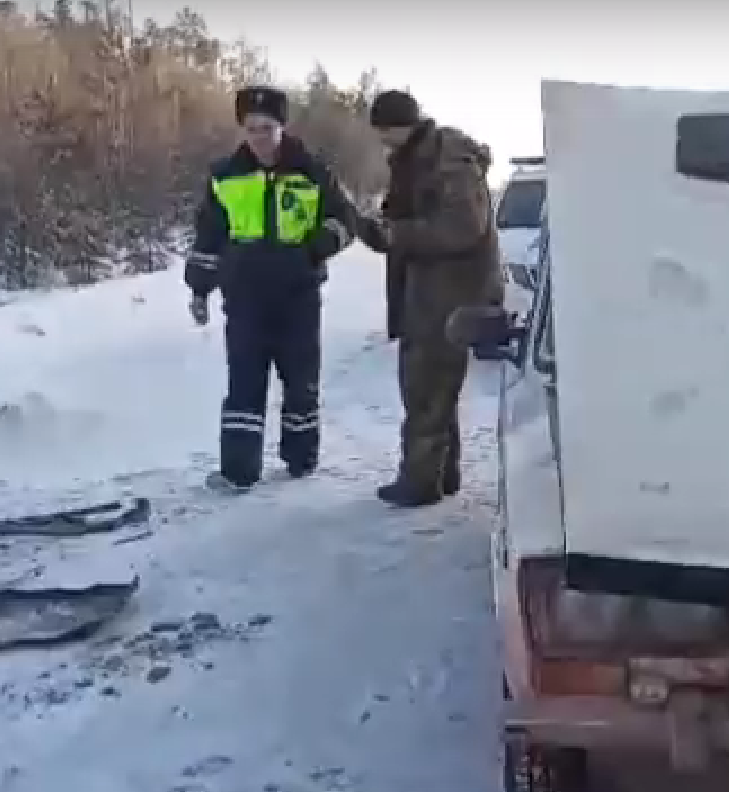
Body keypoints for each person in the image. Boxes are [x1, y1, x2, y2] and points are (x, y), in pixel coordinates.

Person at [184, 86, 358, 492]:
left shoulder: (313, 172)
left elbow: (345, 220)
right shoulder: (224, 175)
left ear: (282, 127)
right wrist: (199, 290)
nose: (260, 137)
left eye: (267, 128)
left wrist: (318, 246)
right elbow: (209, 235)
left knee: (300, 381)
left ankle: (301, 457)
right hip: (244, 297)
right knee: (244, 382)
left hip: (298, 297)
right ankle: (239, 470)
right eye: (252, 129)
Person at [358, 89, 503, 508]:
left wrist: (398, 235)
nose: (382, 141)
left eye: (385, 131)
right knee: (434, 386)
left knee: (425, 385)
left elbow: (464, 227)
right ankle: (441, 474)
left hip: (449, 292)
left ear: (400, 125)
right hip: (433, 290)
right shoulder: (420, 157)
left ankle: (421, 481)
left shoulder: (448, 162)